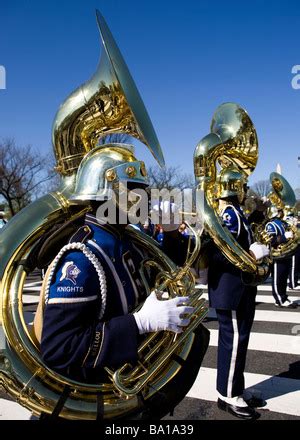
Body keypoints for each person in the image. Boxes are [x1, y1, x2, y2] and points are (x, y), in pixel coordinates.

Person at [37, 144, 209, 418]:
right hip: (99, 401)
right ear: (111, 194)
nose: (147, 197)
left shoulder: (127, 238)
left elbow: (168, 273)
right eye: (137, 190)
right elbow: (59, 348)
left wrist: (172, 234)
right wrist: (138, 323)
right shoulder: (82, 257)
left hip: (132, 393)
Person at [206, 167, 269, 420]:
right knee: (233, 341)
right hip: (230, 289)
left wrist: (257, 215)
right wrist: (252, 255)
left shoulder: (235, 213)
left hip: (238, 287)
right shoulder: (229, 215)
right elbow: (219, 254)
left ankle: (232, 389)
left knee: (237, 341)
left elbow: (239, 239)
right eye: (243, 187)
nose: (246, 192)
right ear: (236, 188)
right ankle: (229, 395)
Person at [265, 206, 298, 307]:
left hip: (285, 254)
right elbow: (270, 240)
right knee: (277, 278)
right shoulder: (270, 224)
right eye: (279, 211)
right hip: (277, 255)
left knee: (283, 278)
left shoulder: (282, 222)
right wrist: (284, 237)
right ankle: (279, 299)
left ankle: (283, 296)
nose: (281, 212)